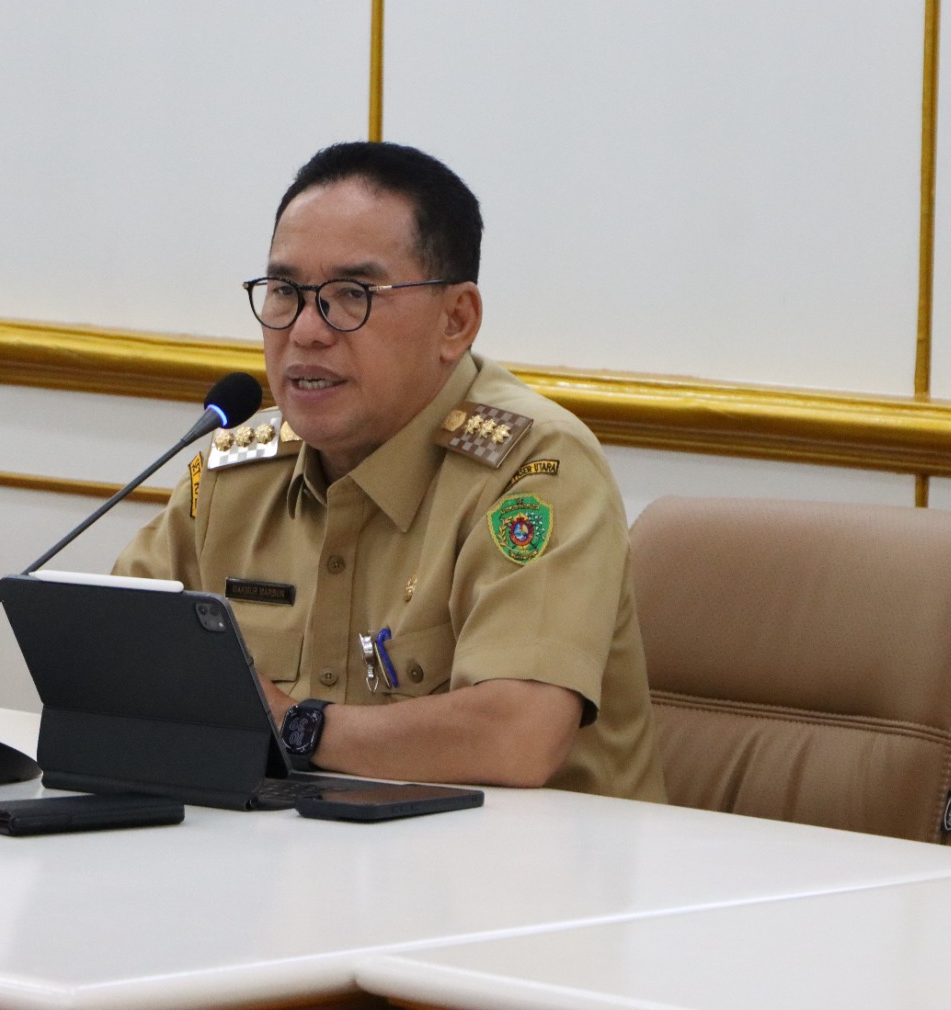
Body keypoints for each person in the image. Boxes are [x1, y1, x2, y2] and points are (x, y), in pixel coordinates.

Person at [114, 142, 665, 799]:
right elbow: (113, 651)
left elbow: (516, 735)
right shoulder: (236, 467)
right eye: (285, 292)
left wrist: (291, 726)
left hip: (519, 858)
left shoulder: (533, 468)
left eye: (351, 295)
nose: (306, 331)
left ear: (455, 321)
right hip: (288, 850)